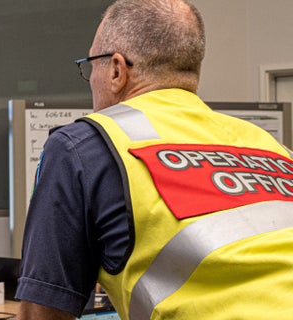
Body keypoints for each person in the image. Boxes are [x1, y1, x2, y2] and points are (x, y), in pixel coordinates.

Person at [15, 0, 293, 319]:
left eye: (91, 65)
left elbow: (42, 314)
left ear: (117, 70)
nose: (90, 79)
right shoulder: (268, 144)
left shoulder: (82, 146)